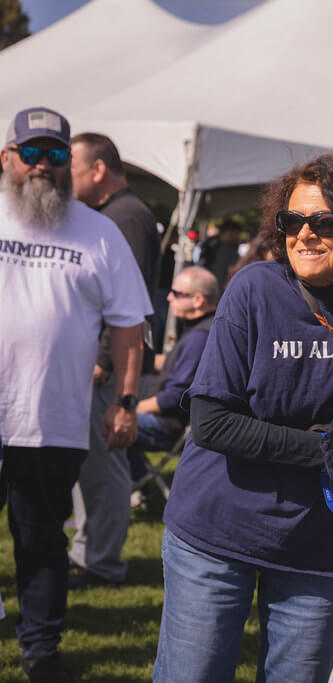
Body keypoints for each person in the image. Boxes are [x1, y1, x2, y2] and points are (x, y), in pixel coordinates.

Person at [152, 153, 333, 682]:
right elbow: (212, 423)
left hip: (320, 545)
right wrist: (332, 451)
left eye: (324, 222)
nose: (305, 235)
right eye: (292, 221)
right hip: (216, 532)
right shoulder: (255, 288)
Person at [0, 107, 151, 683]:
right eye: (32, 153)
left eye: (56, 155)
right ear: (8, 158)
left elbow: (128, 325)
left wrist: (126, 399)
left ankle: (40, 652)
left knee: (41, 543)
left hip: (54, 420)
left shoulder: (99, 231)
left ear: (71, 164)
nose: (43, 165)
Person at [65, 131, 162, 588]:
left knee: (103, 465)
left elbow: (127, 304)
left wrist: (104, 359)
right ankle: (89, 552)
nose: (65, 178)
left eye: (73, 168)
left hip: (107, 366)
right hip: (102, 361)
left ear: (98, 169)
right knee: (91, 465)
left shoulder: (125, 216)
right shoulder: (116, 214)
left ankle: (100, 561)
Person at [125, 266, 218, 494]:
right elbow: (171, 361)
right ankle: (137, 485)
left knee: (102, 424)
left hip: (166, 425)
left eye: (176, 294)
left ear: (197, 300)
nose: (168, 297)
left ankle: (131, 488)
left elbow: (174, 397)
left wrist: (127, 410)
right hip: (163, 417)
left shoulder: (199, 338)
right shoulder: (201, 329)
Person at [196, 217, 242, 288]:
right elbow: (232, 271)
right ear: (229, 232)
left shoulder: (210, 242)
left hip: (203, 283)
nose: (238, 237)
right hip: (217, 287)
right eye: (237, 234)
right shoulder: (228, 250)